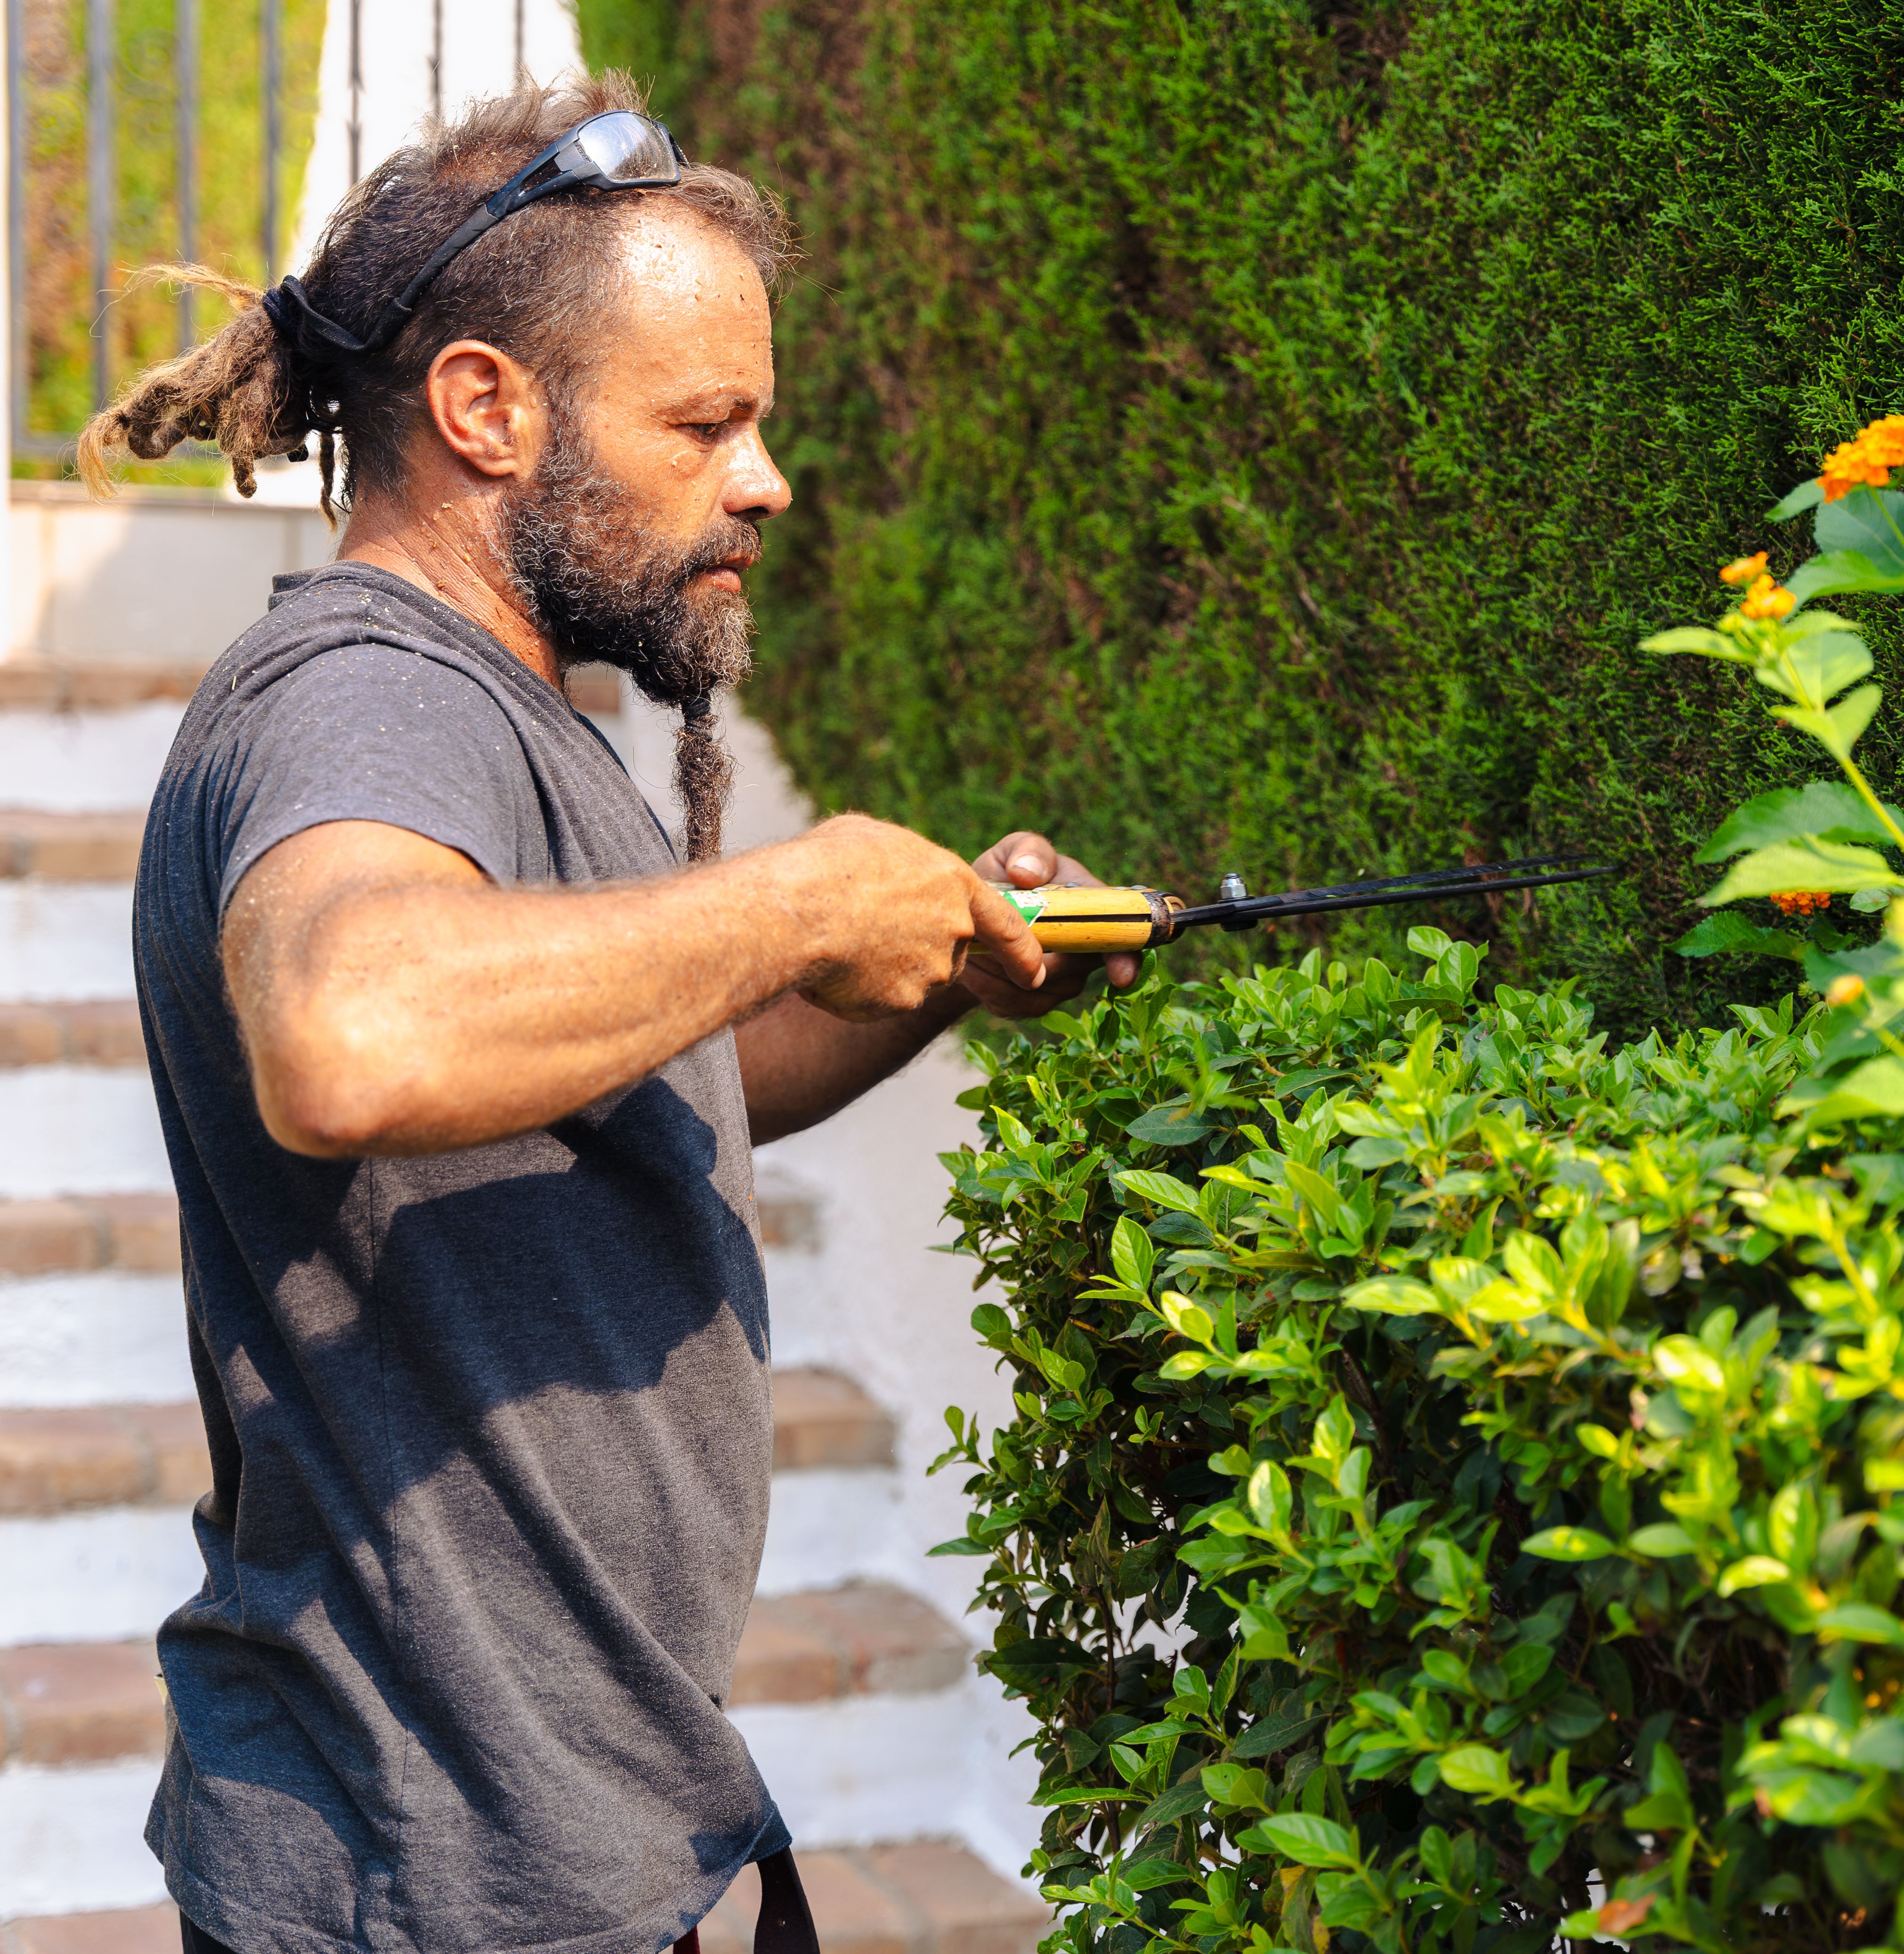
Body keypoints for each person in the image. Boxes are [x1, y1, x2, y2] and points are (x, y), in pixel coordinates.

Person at [79, 73, 1131, 1954]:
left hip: (544, 1834)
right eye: (707, 423)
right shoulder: (364, 700)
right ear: (488, 407)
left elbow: (653, 1073)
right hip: (425, 1874)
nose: (764, 480)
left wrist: (942, 977)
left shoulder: (506, 714)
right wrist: (803, 894)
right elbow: (354, 1036)